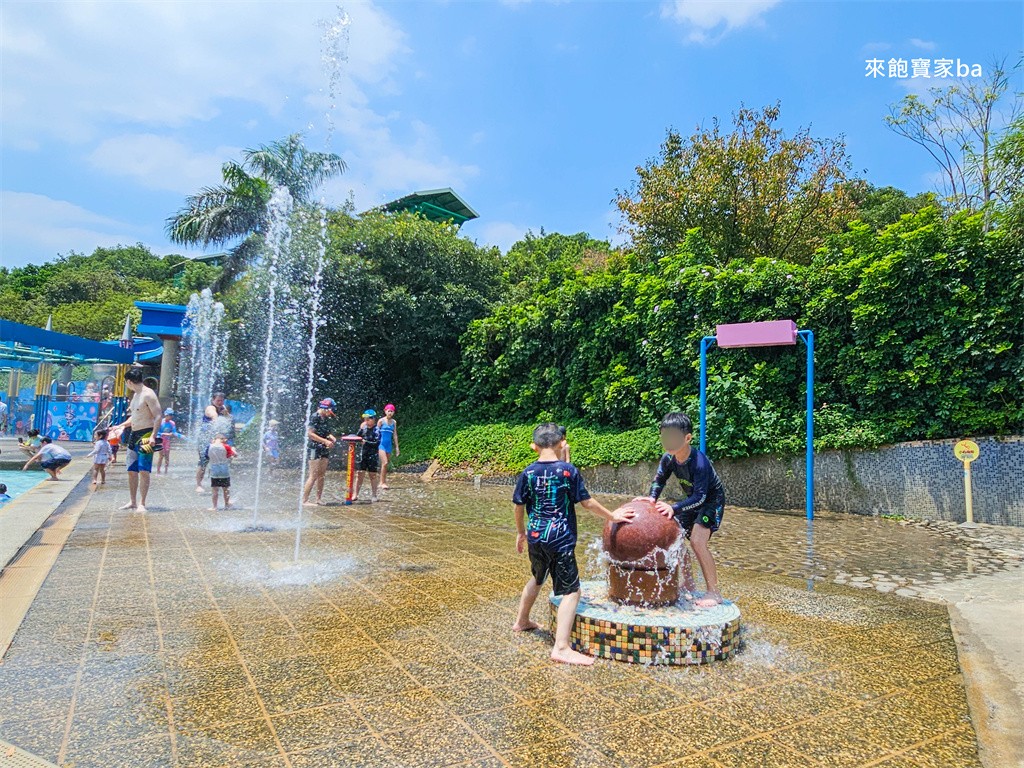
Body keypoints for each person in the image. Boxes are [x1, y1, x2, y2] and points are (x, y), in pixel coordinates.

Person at [512, 422, 636, 665]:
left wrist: (520, 533)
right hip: (560, 539)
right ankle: (561, 647)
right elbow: (587, 503)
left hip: (535, 536)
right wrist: (613, 516)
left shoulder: (527, 473)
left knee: (538, 577)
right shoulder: (568, 471)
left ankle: (522, 621)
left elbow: (518, 506)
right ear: (561, 443)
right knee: (571, 591)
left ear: (534, 446)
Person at [636, 411, 726, 608]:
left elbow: (701, 496)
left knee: (697, 542)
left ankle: (714, 592)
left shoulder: (699, 462)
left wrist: (674, 507)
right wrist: (651, 499)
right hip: (692, 500)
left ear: (687, 438)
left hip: (711, 501)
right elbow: (659, 480)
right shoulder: (668, 458)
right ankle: (689, 584)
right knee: (677, 538)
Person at [115, 367, 163, 513]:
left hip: (146, 436)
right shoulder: (136, 395)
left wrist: (153, 436)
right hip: (133, 435)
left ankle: (142, 503)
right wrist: (121, 425)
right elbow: (135, 416)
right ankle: (132, 501)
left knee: (143, 470)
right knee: (131, 469)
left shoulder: (148, 394)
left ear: (129, 381)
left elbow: (158, 415)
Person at [302, 398, 337, 506]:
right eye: (331, 410)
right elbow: (310, 434)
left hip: (323, 448)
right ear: (326, 408)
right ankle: (304, 500)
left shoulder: (325, 418)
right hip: (314, 448)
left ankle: (318, 499)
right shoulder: (314, 417)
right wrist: (325, 441)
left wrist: (332, 437)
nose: (331, 413)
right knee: (313, 475)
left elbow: (326, 432)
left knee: (321, 475)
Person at [195, 392, 226, 492]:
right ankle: (199, 485)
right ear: (213, 400)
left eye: (222, 400)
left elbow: (229, 419)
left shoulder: (223, 408)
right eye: (218, 400)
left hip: (215, 438)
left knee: (218, 461)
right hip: (204, 439)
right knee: (203, 461)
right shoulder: (210, 408)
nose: (220, 402)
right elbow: (214, 416)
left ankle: (217, 482)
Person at [352, 409, 381, 502]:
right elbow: (356, 437)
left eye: (368, 419)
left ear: (373, 419)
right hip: (363, 454)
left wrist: (366, 442)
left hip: (373, 455)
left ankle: (374, 495)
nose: (366, 421)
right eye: (365, 419)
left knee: (372, 475)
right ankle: (355, 494)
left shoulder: (377, 430)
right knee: (359, 474)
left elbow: (377, 443)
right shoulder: (363, 429)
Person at [206, 434, 238, 512]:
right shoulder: (226, 446)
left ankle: (214, 507)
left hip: (214, 469)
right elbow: (234, 455)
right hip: (224, 470)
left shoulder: (209, 446)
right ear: (222, 439)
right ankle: (226, 505)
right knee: (226, 489)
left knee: (214, 489)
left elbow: (207, 456)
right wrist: (233, 450)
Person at [376, 404, 400, 490]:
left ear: (393, 412)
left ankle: (381, 482)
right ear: (385, 411)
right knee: (385, 462)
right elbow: (376, 433)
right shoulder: (381, 421)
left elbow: (395, 435)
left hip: (389, 445)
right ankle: (382, 483)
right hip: (381, 445)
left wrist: (397, 448)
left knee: (385, 464)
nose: (390, 413)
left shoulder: (394, 422)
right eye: (388, 411)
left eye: (391, 411)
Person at [155, 409, 182, 474]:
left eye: (172, 415)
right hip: (160, 440)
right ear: (166, 415)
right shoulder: (160, 422)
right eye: (170, 415)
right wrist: (165, 434)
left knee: (167, 456)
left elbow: (174, 432)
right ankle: (158, 471)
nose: (171, 416)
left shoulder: (172, 423)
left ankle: (166, 471)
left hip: (167, 441)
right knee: (161, 456)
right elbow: (157, 432)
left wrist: (176, 434)